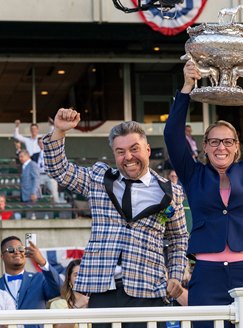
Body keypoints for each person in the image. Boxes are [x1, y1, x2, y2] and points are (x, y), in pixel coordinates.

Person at [163, 46, 243, 328]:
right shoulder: (193, 174)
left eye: (227, 141)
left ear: (237, 146)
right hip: (207, 273)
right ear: (205, 146)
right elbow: (172, 136)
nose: (221, 147)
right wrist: (187, 88)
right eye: (214, 141)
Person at [43, 111, 188, 328]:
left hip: (148, 290)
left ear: (148, 150)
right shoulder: (99, 179)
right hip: (103, 289)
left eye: (134, 149)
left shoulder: (171, 193)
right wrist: (59, 131)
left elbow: (178, 238)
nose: (128, 157)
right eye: (120, 152)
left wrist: (175, 275)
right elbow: (59, 170)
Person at [0, 235, 62, 328]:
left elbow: (59, 289)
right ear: (2, 256)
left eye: (21, 249)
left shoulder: (39, 279)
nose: (17, 252)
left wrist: (42, 262)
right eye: (11, 250)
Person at [50, 259, 89, 328]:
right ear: (69, 281)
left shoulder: (98, 302)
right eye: (76, 275)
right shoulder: (59, 303)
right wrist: (77, 306)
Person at [37, 137, 60, 203]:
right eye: (40, 143)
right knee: (36, 189)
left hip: (50, 175)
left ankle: (57, 206)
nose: (41, 144)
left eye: (42, 142)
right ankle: (38, 206)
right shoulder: (35, 155)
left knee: (54, 192)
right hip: (40, 175)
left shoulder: (52, 153)